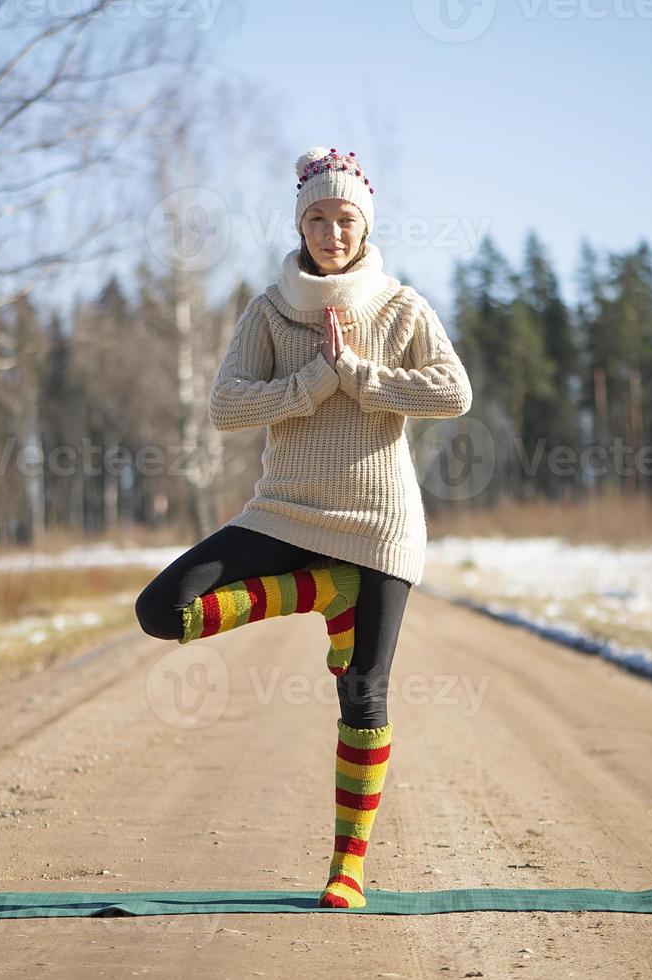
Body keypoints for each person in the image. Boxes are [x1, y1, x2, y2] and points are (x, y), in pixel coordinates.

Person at [135, 146, 472, 909]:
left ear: (364, 224)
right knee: (162, 610)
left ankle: (346, 867)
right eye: (317, 217)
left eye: (345, 218)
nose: (332, 231)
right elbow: (228, 406)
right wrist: (311, 383)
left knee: (364, 690)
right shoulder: (271, 308)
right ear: (299, 222)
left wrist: (362, 377)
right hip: (285, 509)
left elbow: (454, 392)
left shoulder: (400, 306)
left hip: (380, 522)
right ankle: (323, 590)